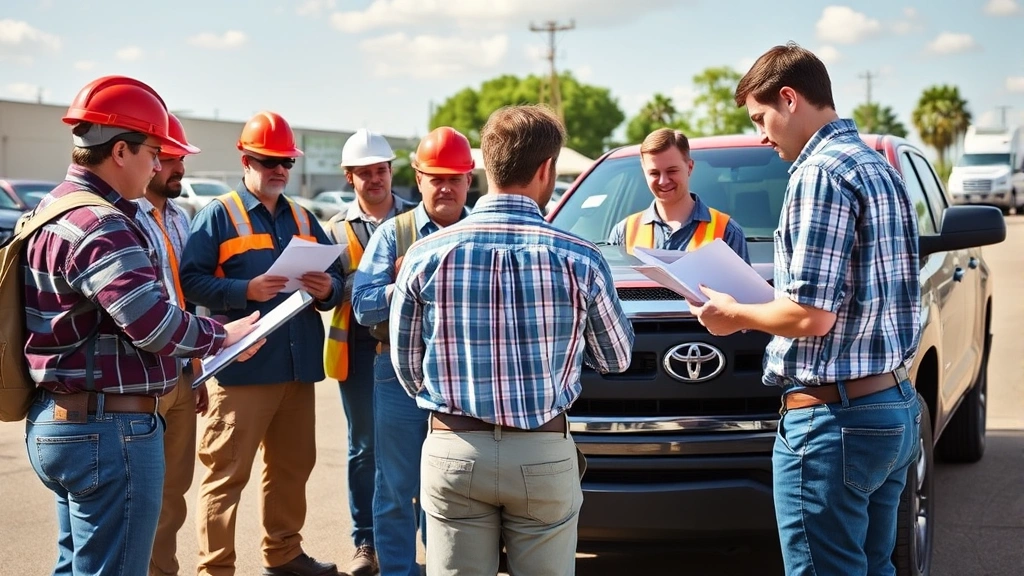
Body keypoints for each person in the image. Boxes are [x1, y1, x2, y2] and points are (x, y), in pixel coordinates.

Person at [690, 42, 922, 576]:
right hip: (890, 404)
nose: (762, 135)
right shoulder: (877, 167)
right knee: (875, 567)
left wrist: (735, 313)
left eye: (761, 117)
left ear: (789, 98)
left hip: (833, 421)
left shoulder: (819, 173)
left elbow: (812, 316)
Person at [21, 75, 261, 576]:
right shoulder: (102, 223)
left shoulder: (51, 208)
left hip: (61, 419)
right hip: (109, 430)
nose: (158, 163)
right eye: (154, 150)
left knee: (77, 565)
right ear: (122, 150)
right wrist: (225, 336)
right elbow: (150, 324)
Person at [389, 105, 636, 576]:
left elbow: (407, 365)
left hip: (453, 444)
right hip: (542, 449)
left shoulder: (425, 255)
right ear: (546, 170)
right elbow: (617, 357)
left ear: (485, 163)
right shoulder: (580, 257)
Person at [180, 110, 345, 576]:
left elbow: (336, 279)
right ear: (245, 160)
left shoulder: (303, 217)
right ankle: (215, 568)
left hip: (295, 368)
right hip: (242, 370)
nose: (279, 170)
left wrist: (326, 290)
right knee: (225, 475)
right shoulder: (219, 216)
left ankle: (284, 554)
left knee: (293, 469)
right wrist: (243, 291)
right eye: (268, 160)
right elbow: (189, 281)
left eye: (286, 162)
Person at [351, 126, 474, 576]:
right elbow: (363, 306)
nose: (445, 187)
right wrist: (404, 281)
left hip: (465, 375)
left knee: (459, 486)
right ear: (418, 178)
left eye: (454, 178)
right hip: (398, 372)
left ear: (469, 180)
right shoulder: (392, 235)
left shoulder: (483, 229)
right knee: (396, 486)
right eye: (435, 177)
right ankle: (399, 570)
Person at [324, 128, 415, 576]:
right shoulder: (335, 230)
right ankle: (366, 543)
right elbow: (322, 292)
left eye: (381, 170)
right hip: (359, 352)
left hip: (411, 346)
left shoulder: (416, 221)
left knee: (414, 447)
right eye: (365, 172)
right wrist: (357, 285)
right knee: (364, 449)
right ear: (349, 177)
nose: (375, 179)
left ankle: (410, 538)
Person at [133, 113, 205, 576]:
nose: (180, 168)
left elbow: (188, 302)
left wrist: (196, 368)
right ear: (152, 157)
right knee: (138, 498)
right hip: (139, 382)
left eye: (181, 159)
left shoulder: (182, 220)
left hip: (181, 373)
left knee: (173, 494)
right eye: (173, 158)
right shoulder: (124, 216)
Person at [608, 127, 750, 263]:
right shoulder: (623, 233)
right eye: (654, 173)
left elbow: (740, 288)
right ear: (643, 170)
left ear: (689, 167)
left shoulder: (727, 231)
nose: (663, 181)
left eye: (672, 171)